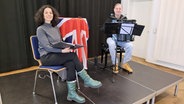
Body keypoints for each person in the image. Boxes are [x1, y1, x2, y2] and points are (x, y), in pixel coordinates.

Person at [34, 5, 102, 104]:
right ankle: (87, 79)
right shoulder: (40, 29)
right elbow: (47, 47)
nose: (49, 14)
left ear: (53, 15)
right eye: (46, 13)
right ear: (42, 15)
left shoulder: (56, 28)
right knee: (72, 56)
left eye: (50, 13)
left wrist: (68, 47)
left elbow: (59, 43)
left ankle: (71, 94)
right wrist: (62, 51)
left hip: (57, 55)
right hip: (46, 57)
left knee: (70, 63)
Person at [102, 3, 133, 74]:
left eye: (120, 9)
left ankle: (125, 63)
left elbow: (128, 30)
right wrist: (108, 28)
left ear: (122, 10)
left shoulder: (125, 19)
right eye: (117, 8)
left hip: (121, 39)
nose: (118, 10)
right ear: (114, 10)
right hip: (111, 38)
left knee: (130, 45)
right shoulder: (110, 18)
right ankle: (115, 64)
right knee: (112, 44)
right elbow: (103, 29)